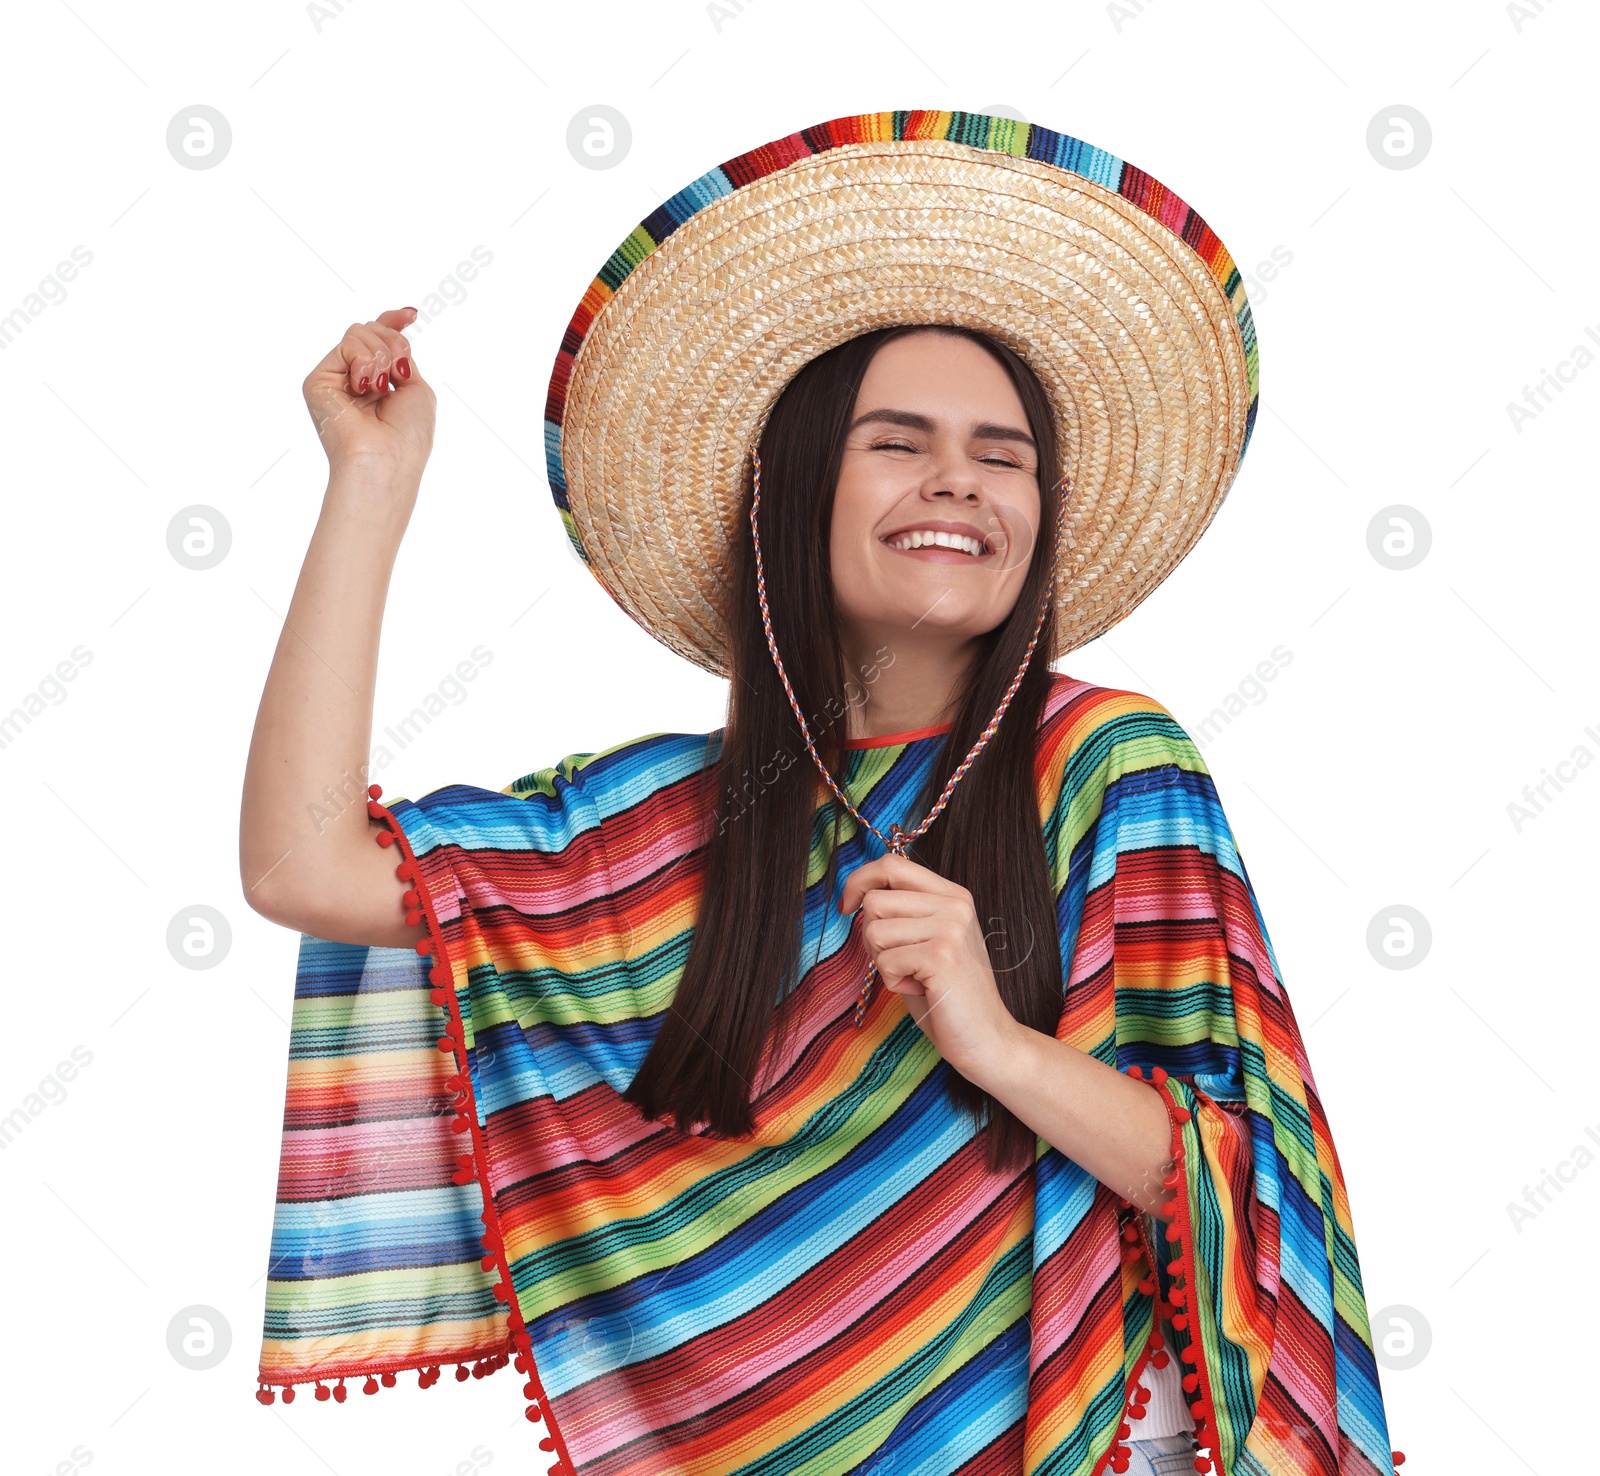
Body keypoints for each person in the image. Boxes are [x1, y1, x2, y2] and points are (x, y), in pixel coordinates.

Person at [241, 111, 1404, 1476]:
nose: (959, 480)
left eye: (1005, 452)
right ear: (798, 486)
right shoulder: (670, 822)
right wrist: (372, 486)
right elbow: (303, 864)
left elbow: (1235, 1191)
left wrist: (996, 1044)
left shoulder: (1107, 769)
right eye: (898, 442)